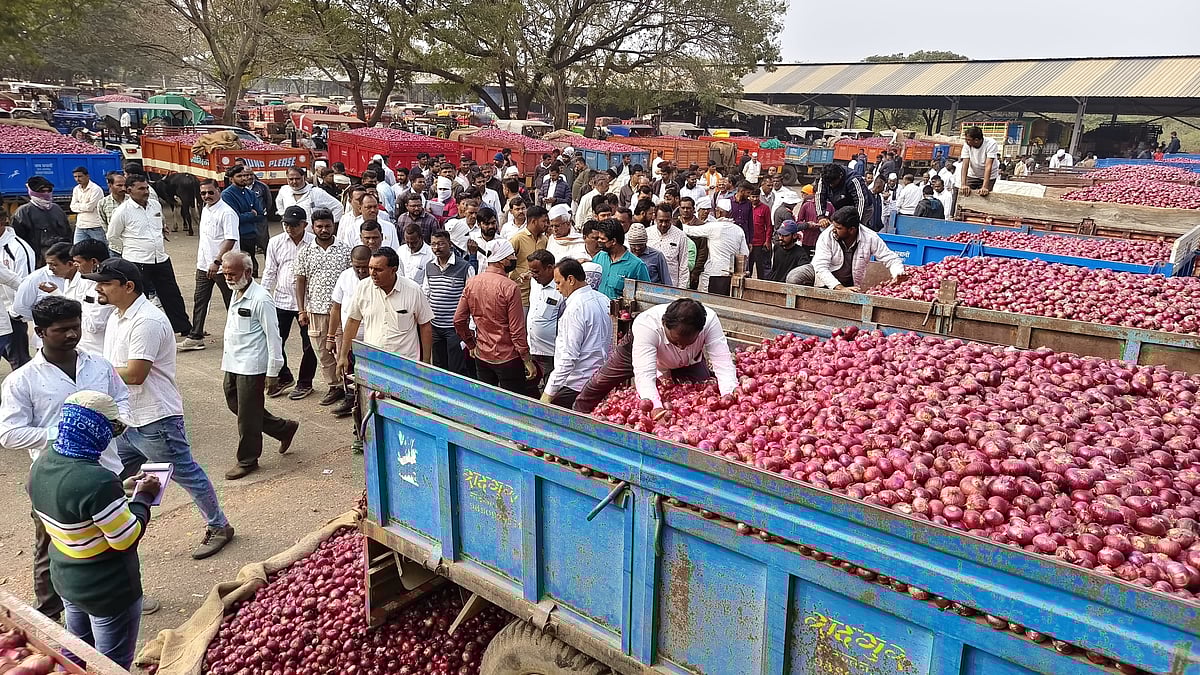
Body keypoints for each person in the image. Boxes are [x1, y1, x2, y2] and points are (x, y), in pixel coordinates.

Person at [85, 258, 234, 559]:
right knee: (110, 473)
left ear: (128, 287)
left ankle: (219, 526)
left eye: (105, 283)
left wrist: (96, 371)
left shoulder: (147, 321)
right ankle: (118, 529)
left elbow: (136, 374)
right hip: (126, 418)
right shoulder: (116, 316)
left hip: (156, 419)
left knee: (186, 474)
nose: (98, 287)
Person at [0, 296, 131, 622]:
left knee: (114, 538)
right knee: (51, 545)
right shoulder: (22, 380)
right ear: (40, 332)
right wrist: (67, 434)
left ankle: (119, 596)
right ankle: (49, 613)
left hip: (105, 470)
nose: (72, 335)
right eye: (62, 330)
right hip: (52, 477)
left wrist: (120, 422)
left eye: (76, 327)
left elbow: (122, 398)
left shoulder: (99, 364)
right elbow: (8, 433)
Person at [28, 390, 159, 669]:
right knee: (110, 663)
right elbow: (125, 539)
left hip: (67, 580)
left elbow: (73, 507)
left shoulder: (42, 463)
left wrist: (119, 489)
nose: (114, 436)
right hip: (107, 591)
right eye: (112, 428)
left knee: (75, 652)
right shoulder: (96, 481)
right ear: (96, 429)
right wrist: (143, 497)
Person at [572, 298, 736, 415]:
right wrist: (655, 407)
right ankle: (575, 419)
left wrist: (730, 398)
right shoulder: (647, 325)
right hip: (634, 351)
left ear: (701, 331)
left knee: (700, 389)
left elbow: (723, 363)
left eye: (688, 342)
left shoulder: (710, 321)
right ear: (665, 324)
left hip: (688, 362)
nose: (681, 347)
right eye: (676, 341)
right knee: (599, 382)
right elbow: (644, 375)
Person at [219, 250, 300, 479]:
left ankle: (248, 459)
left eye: (232, 274)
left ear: (248, 271)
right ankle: (283, 428)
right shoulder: (236, 292)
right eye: (226, 274)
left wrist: (273, 371)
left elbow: (274, 337)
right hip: (233, 361)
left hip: (252, 365)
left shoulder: (261, 298)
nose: (228, 278)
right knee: (237, 405)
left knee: (247, 416)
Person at [105, 175, 192, 336]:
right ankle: (140, 331)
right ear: (129, 190)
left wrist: (162, 231)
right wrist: (130, 250)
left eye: (146, 188)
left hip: (160, 258)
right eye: (141, 189)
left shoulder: (154, 205)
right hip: (137, 261)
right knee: (138, 298)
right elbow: (112, 236)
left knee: (172, 295)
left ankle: (183, 327)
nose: (146, 191)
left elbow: (159, 225)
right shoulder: (122, 211)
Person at [453, 240, 535, 395]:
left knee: (487, 401)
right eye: (511, 255)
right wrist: (526, 359)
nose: (513, 258)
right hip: (508, 358)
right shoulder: (510, 287)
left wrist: (471, 344)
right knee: (513, 404)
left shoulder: (472, 283)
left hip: (482, 354)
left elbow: (458, 320)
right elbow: (517, 330)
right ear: (503, 259)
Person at [339, 247, 434, 374]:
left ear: (393, 270)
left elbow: (425, 325)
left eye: (378, 269)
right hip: (373, 362)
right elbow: (352, 322)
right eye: (371, 268)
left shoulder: (413, 290)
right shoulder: (363, 287)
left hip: (405, 365)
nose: (372, 273)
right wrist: (343, 356)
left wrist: (426, 362)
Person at [293, 208, 352, 405]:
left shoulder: (345, 250)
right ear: (313, 227)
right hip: (315, 311)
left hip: (342, 311)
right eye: (320, 226)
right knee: (323, 353)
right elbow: (300, 281)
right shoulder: (305, 251)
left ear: (333, 225)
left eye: (328, 226)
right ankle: (334, 386)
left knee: (344, 350)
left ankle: (349, 389)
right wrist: (301, 310)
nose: (324, 229)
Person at [538, 259, 610, 408]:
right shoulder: (604, 300)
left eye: (558, 283)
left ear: (570, 279)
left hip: (576, 384)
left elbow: (569, 356)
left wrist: (548, 393)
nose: (557, 288)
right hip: (599, 381)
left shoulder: (575, 309)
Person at [261, 206, 316, 398]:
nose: (289, 228)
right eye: (286, 224)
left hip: (308, 302)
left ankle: (305, 382)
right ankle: (284, 376)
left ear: (304, 225)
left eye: (294, 225)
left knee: (310, 345)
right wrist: (263, 295)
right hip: (281, 300)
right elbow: (270, 270)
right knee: (275, 341)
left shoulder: (313, 243)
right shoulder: (276, 242)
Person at [180, 179, 239, 351]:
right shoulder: (205, 210)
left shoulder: (227, 213)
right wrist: (207, 263)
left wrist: (217, 261)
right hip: (204, 265)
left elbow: (230, 239)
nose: (207, 196)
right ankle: (196, 335)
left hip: (224, 267)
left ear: (218, 191)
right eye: (203, 193)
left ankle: (238, 335)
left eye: (210, 192)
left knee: (232, 302)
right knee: (200, 300)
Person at [785, 206, 906, 291]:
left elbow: (891, 259)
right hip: (821, 275)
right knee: (794, 277)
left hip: (849, 280)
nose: (833, 229)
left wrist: (898, 273)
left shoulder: (870, 237)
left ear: (852, 230)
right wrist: (839, 288)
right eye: (834, 225)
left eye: (838, 227)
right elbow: (820, 268)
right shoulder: (827, 236)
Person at [327, 245, 371, 421]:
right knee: (348, 370)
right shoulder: (345, 277)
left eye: (364, 266)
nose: (361, 270)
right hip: (349, 338)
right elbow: (336, 308)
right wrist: (330, 336)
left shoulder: (377, 280)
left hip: (371, 339)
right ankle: (350, 401)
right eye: (357, 266)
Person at [423, 230, 474, 375]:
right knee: (438, 366)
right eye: (433, 244)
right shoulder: (429, 266)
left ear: (450, 244)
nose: (436, 248)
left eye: (440, 244)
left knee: (456, 367)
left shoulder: (464, 267)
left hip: (455, 328)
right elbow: (426, 293)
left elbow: (471, 298)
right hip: (435, 326)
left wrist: (469, 326)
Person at [682, 198, 748, 296]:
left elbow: (690, 230)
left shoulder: (714, 227)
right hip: (730, 274)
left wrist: (677, 223)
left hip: (713, 273)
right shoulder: (739, 230)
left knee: (709, 300)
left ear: (719, 212)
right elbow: (745, 253)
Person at [525, 249, 561, 389]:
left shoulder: (561, 288)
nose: (533, 275)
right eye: (531, 271)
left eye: (536, 272)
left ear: (550, 268)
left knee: (551, 391)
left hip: (551, 353)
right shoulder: (535, 283)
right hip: (532, 349)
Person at [13, 176, 71, 263]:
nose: (46, 194)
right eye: (42, 191)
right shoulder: (23, 212)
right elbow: (18, 238)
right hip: (38, 258)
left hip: (61, 256)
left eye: (48, 191)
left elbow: (68, 232)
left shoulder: (57, 209)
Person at [222, 165, 265, 276]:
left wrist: (247, 215)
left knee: (249, 265)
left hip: (251, 235)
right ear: (231, 179)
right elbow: (235, 218)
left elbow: (261, 214)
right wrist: (251, 214)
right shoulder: (227, 195)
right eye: (239, 176)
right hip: (237, 237)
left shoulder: (250, 193)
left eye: (245, 175)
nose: (244, 178)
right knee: (238, 268)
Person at [594, 219, 651, 300]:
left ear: (613, 241)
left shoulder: (637, 265)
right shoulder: (599, 257)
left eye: (602, 239)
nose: (599, 241)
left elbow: (646, 296)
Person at [509, 205, 550, 307]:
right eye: (543, 221)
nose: (547, 225)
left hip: (539, 294)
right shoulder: (517, 239)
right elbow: (506, 262)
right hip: (521, 295)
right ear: (534, 221)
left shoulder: (544, 240)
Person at [814, 163, 875, 227]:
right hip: (841, 206)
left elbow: (861, 201)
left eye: (833, 183)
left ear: (840, 176)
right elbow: (819, 196)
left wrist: (855, 223)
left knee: (852, 230)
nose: (830, 186)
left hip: (863, 207)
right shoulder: (825, 178)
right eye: (828, 184)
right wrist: (821, 217)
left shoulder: (853, 179)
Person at [275, 167, 343, 225]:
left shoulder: (316, 192)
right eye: (291, 179)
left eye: (297, 179)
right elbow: (279, 202)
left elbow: (338, 207)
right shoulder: (284, 190)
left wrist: (326, 224)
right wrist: (283, 215)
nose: (294, 182)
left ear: (303, 177)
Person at [646, 203, 689, 289]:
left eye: (667, 221)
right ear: (655, 218)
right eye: (661, 221)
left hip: (672, 286)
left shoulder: (680, 236)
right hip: (649, 284)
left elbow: (683, 266)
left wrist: (681, 290)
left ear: (671, 219)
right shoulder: (647, 233)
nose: (664, 224)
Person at [960, 127, 1001, 197]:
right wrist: (963, 184)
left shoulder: (991, 143)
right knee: (965, 194)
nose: (967, 141)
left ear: (976, 140)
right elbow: (965, 164)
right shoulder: (967, 144)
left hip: (989, 176)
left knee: (984, 197)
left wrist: (984, 187)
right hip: (972, 174)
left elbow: (988, 166)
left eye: (969, 140)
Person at [70, 167, 107, 245]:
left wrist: (79, 206)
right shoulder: (76, 189)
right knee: (77, 251)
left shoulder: (96, 189)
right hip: (80, 225)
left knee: (100, 251)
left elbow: (90, 207)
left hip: (95, 226)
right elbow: (72, 207)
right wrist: (84, 206)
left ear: (87, 176)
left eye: (80, 176)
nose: (77, 179)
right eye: (75, 177)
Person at [748, 187, 772, 278]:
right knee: (747, 267)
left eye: (757, 197)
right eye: (753, 196)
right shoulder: (747, 207)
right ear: (749, 197)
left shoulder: (765, 208)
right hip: (749, 242)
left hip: (760, 243)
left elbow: (769, 225)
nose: (755, 199)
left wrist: (767, 240)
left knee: (760, 267)